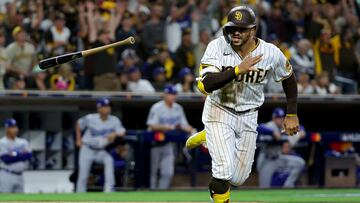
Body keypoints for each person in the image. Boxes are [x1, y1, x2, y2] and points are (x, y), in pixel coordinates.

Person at [185, 6, 300, 202]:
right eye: (232, 28)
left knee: (238, 178)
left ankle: (207, 137)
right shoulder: (217, 46)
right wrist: (237, 70)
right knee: (223, 171)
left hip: (249, 115)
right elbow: (205, 85)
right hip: (219, 110)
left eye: (242, 28)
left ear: (253, 30)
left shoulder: (270, 52)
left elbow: (288, 78)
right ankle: (213, 134)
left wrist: (291, 113)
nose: (236, 32)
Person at [146, 85, 195, 189]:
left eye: (174, 94)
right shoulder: (157, 107)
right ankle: (150, 195)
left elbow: (183, 124)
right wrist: (164, 127)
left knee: (168, 172)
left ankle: (160, 195)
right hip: (154, 143)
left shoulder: (178, 108)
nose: (172, 96)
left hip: (168, 143)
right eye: (170, 94)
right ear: (165, 95)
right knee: (153, 172)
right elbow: (151, 125)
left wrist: (192, 130)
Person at [76, 98, 126, 192]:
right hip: (87, 149)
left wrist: (115, 134)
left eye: (108, 106)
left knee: (109, 160)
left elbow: (122, 132)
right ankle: (80, 195)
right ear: (99, 108)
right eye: (104, 106)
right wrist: (78, 139)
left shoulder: (114, 120)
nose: (107, 108)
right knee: (83, 175)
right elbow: (78, 124)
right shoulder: (90, 118)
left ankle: (109, 191)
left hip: (101, 151)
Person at [256, 108, 305, 188]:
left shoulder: (283, 126)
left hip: (278, 158)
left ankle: (288, 186)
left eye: (282, 117)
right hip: (266, 160)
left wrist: (301, 130)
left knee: (299, 163)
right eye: (278, 118)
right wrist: (272, 133)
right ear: (274, 118)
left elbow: (300, 127)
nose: (281, 119)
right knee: (264, 188)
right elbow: (258, 127)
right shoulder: (270, 126)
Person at [0, 118, 32, 193]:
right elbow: (6, 159)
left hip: (20, 175)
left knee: (20, 199)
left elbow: (28, 155)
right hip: (7, 175)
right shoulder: (2, 142)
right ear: (7, 129)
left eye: (15, 127)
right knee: (5, 199)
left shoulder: (23, 142)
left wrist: (14, 154)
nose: (15, 129)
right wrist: (21, 154)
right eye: (12, 127)